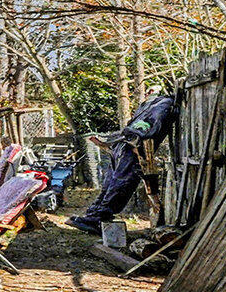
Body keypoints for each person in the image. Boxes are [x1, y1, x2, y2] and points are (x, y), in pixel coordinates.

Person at [68, 91, 179, 235]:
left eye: (148, 92)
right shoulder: (150, 105)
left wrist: (135, 136)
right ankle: (93, 215)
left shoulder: (162, 104)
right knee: (110, 183)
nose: (146, 93)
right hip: (125, 145)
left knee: (120, 183)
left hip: (135, 147)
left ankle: (99, 217)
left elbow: (150, 124)